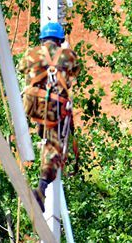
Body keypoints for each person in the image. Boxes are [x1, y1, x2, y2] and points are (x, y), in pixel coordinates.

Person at [19, 22, 80, 211]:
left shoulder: (31, 53)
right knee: (54, 147)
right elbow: (75, 72)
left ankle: (39, 128)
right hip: (54, 109)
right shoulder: (68, 55)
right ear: (60, 39)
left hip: (32, 106)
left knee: (45, 124)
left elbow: (21, 68)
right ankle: (42, 188)